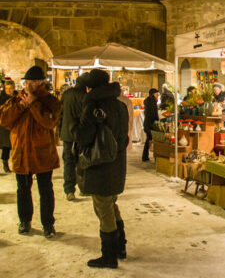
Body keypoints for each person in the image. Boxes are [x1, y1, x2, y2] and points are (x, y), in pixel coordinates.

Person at [73, 69, 129, 269]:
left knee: (103, 208)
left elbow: (84, 137)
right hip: (117, 163)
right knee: (111, 203)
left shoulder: (93, 105)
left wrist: (74, 130)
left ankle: (109, 256)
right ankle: (120, 247)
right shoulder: (120, 106)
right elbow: (125, 137)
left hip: (100, 164)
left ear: (91, 87)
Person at [0, 66, 61, 238]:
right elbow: (4, 120)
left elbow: (49, 123)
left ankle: (48, 224)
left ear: (41, 82)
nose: (29, 85)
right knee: (23, 189)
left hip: (42, 153)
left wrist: (33, 104)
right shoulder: (16, 100)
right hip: (21, 152)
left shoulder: (50, 101)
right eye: (27, 82)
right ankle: (25, 221)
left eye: (33, 82)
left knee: (45, 189)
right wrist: (20, 106)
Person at [59, 72, 89, 201]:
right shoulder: (85, 97)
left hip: (66, 133)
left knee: (68, 162)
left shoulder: (66, 94)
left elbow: (60, 114)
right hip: (80, 134)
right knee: (81, 161)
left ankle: (69, 190)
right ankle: (82, 188)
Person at [0, 79, 16, 173]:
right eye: (7, 88)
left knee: (14, 145)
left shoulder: (16, 96)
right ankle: (5, 164)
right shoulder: (1, 97)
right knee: (6, 145)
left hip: (14, 124)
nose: (9, 90)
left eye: (11, 88)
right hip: (4, 125)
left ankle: (15, 163)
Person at [142, 88, 159, 162]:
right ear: (153, 94)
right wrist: (157, 122)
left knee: (148, 140)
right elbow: (153, 114)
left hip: (147, 124)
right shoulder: (152, 102)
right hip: (150, 124)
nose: (157, 95)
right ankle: (152, 157)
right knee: (152, 140)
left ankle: (145, 156)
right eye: (156, 94)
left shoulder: (148, 101)